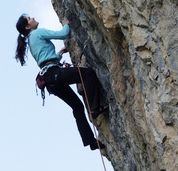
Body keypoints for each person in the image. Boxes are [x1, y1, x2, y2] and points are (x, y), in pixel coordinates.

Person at [15, 14, 108, 151]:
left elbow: (45, 59)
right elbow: (63, 34)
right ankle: (94, 109)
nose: (33, 18)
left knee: (77, 106)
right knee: (88, 74)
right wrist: (67, 23)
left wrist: (59, 54)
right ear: (28, 26)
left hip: (50, 80)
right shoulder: (37, 33)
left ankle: (91, 142)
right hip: (54, 74)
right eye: (29, 19)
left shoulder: (31, 40)